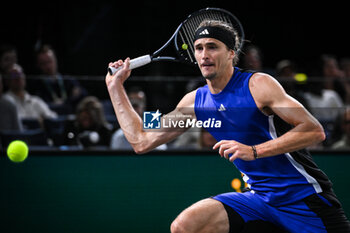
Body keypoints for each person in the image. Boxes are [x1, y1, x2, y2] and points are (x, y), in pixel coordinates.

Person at [106, 20, 350, 232]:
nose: (204, 54)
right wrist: (115, 87)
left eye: (212, 47)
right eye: (199, 48)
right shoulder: (195, 102)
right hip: (258, 200)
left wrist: (254, 151)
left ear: (232, 53)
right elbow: (142, 139)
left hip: (303, 199)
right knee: (185, 226)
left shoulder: (259, 85)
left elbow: (313, 129)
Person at [32, 45, 87, 114]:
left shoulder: (68, 80)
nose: (48, 66)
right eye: (43, 63)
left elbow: (83, 95)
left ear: (55, 60)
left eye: (50, 61)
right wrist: (70, 100)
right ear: (38, 65)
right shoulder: (36, 85)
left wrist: (64, 102)